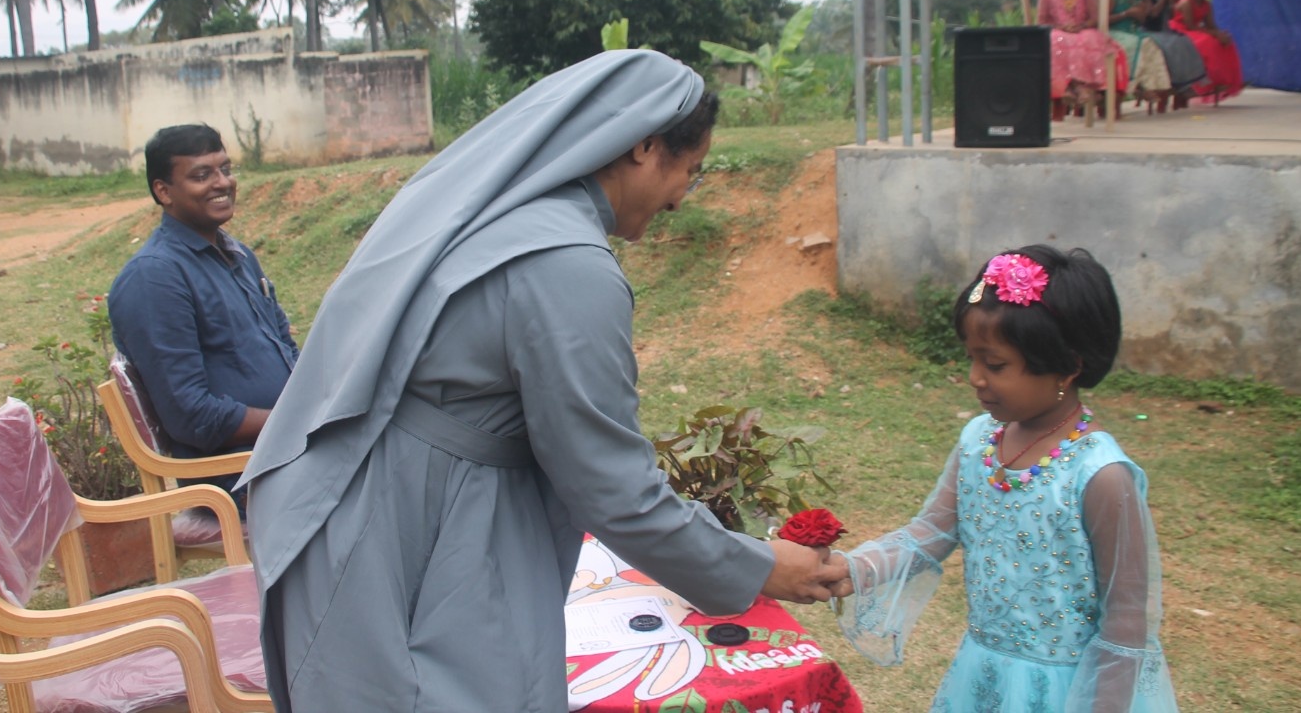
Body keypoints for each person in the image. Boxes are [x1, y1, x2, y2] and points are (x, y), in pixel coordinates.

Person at [240, 50, 848, 711]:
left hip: (366, 497)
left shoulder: (500, 215)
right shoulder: (568, 266)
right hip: (403, 538)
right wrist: (761, 566)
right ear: (644, 147)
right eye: (690, 171)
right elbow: (613, 488)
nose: (681, 198)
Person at [829, 245, 1179, 713]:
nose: (975, 378)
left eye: (994, 365)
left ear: (1068, 365)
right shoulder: (978, 442)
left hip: (1065, 694)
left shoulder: (1101, 476)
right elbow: (931, 533)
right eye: (971, 359)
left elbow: (1126, 621)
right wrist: (852, 569)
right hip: (980, 679)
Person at [109, 124, 297, 506]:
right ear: (164, 191)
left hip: (288, 449)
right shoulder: (155, 277)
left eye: (225, 169)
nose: (222, 183)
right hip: (240, 473)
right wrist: (295, 421)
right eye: (201, 175)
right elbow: (190, 415)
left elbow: (286, 348)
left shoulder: (238, 256)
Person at [1036, 0, 1130, 116]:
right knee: (1056, 39)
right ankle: (1068, 87)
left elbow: (1095, 17)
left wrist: (1082, 26)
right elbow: (1042, 22)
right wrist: (1061, 27)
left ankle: (1083, 86)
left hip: (1083, 31)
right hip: (1058, 33)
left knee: (1090, 39)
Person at [1170, 0, 1245, 105]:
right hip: (1180, 31)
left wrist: (1221, 35)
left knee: (1226, 42)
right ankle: (1204, 81)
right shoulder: (1187, 2)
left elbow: (1211, 25)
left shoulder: (1207, 4)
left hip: (1197, 31)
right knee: (1208, 43)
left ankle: (1221, 81)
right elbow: (1190, 26)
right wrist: (1214, 34)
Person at [1108, 0, 1173, 111]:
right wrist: (1126, 14)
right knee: (1137, 45)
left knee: (1152, 45)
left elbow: (1143, 19)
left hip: (1134, 32)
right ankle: (1135, 86)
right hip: (1115, 32)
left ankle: (1149, 86)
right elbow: (1104, 20)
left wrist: (1140, 13)